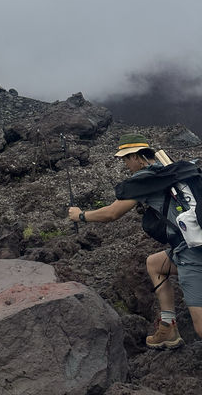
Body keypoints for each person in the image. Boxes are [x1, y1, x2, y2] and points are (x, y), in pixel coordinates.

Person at [68, 133, 202, 349]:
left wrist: (81, 215)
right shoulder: (174, 171)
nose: (125, 165)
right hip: (191, 243)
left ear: (138, 157)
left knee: (200, 327)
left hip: (192, 252)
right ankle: (168, 328)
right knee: (155, 264)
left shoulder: (145, 180)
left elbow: (112, 213)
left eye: (126, 159)